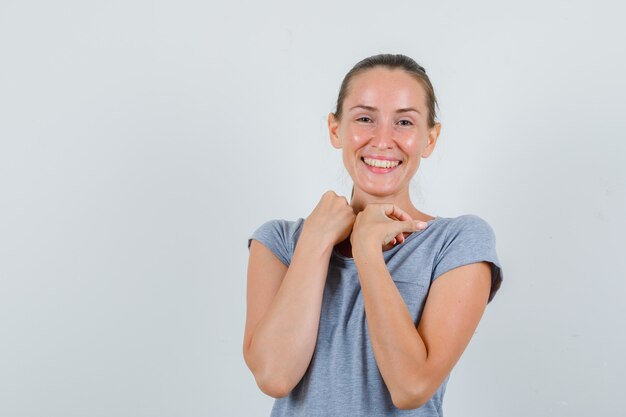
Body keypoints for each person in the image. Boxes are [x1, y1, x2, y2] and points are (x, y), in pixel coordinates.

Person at [243, 53, 503, 416]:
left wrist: (367, 249)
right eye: (365, 118)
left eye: (404, 122)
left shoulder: (457, 242)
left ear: (430, 138)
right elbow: (274, 376)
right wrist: (315, 242)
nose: (383, 140)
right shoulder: (280, 242)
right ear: (335, 129)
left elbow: (411, 387)